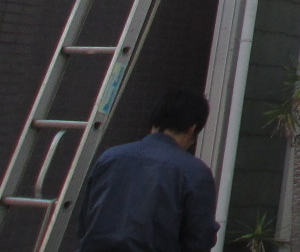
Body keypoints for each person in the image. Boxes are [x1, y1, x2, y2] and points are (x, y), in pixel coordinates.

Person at [77, 88, 220, 252]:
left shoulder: (109, 157)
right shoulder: (195, 172)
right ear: (192, 129)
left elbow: (84, 224)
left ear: (154, 121)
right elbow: (200, 239)